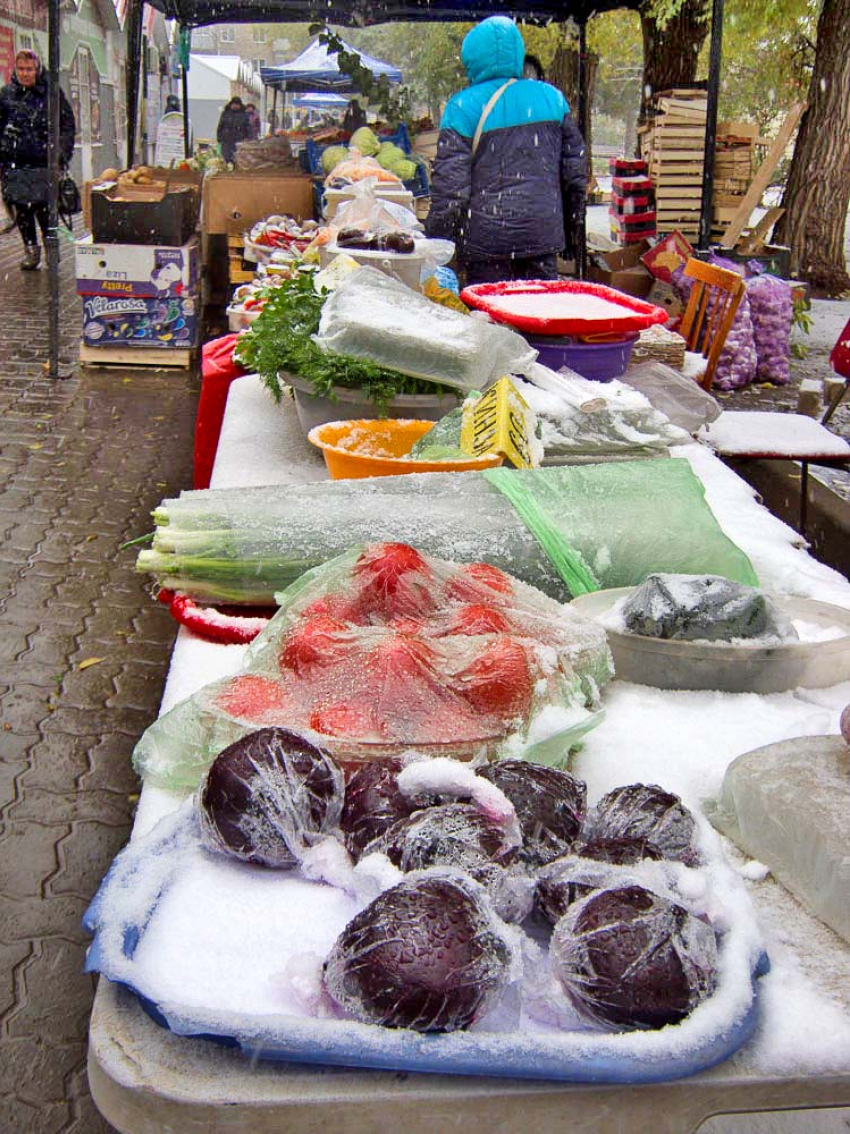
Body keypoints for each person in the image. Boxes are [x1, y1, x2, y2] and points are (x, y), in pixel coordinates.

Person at [426, 17, 586, 285]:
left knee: (489, 311)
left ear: (472, 58)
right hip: (542, 238)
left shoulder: (462, 108)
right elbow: (575, 176)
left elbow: (451, 192)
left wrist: (437, 242)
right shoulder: (552, 98)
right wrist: (572, 232)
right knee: (539, 308)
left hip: (486, 244)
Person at [0, 48, 76, 270]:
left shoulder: (51, 93)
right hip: (15, 164)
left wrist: (60, 153)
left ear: (37, 69)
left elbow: (67, 126)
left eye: (29, 69)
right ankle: (31, 251)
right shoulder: (6, 95)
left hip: (44, 163)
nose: (25, 73)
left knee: (46, 211)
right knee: (22, 212)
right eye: (21, 69)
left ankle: (51, 249)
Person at [216, 96, 251, 164]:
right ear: (231, 104)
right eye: (234, 104)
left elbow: (248, 127)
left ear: (240, 105)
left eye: (237, 104)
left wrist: (248, 137)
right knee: (226, 157)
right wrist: (219, 137)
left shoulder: (244, 114)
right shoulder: (225, 113)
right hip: (226, 139)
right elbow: (220, 126)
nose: (235, 106)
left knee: (238, 158)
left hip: (239, 139)